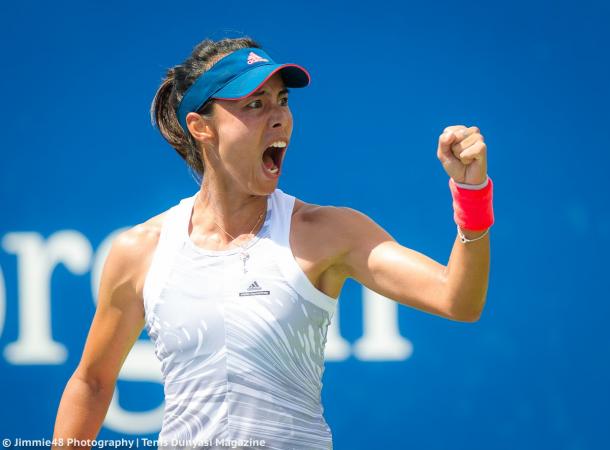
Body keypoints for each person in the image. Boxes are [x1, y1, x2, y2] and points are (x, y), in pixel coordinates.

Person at [52, 37, 494, 450]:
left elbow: (457, 299)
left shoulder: (328, 231)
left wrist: (472, 194)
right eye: (255, 104)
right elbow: (91, 383)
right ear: (200, 127)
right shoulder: (140, 250)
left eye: (282, 100)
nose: (279, 116)